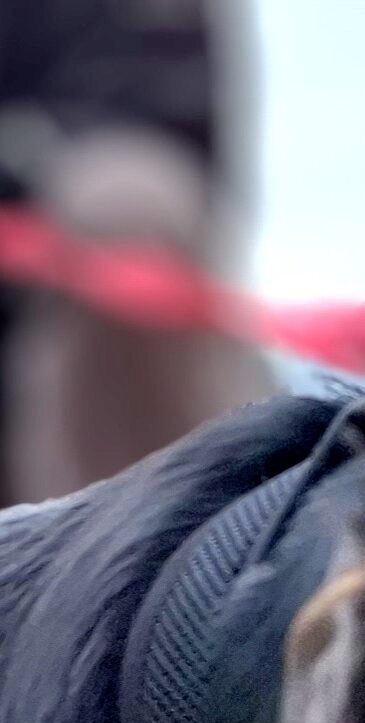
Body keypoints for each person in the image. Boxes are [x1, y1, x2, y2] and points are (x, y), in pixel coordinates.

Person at [0, 0, 269, 506]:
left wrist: (20, 161)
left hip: (66, 272)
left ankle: (154, 527)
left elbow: (157, 100)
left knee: (124, 204)